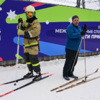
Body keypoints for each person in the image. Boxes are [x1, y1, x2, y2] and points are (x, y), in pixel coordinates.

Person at [17, 5, 41, 80]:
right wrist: (20, 24)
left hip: (33, 45)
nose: (29, 15)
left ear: (34, 13)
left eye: (30, 14)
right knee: (27, 60)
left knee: (34, 60)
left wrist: (23, 32)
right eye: (27, 14)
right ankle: (30, 72)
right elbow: (19, 27)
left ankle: (38, 73)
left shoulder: (36, 23)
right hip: (26, 45)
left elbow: (34, 33)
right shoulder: (26, 22)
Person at [63, 15, 87, 80]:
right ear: (72, 21)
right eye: (75, 20)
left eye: (77, 20)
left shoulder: (79, 27)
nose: (77, 21)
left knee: (74, 62)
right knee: (69, 61)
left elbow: (81, 34)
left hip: (77, 48)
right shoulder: (70, 27)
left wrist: (84, 31)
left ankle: (70, 73)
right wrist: (80, 33)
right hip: (70, 48)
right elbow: (71, 35)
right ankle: (65, 74)